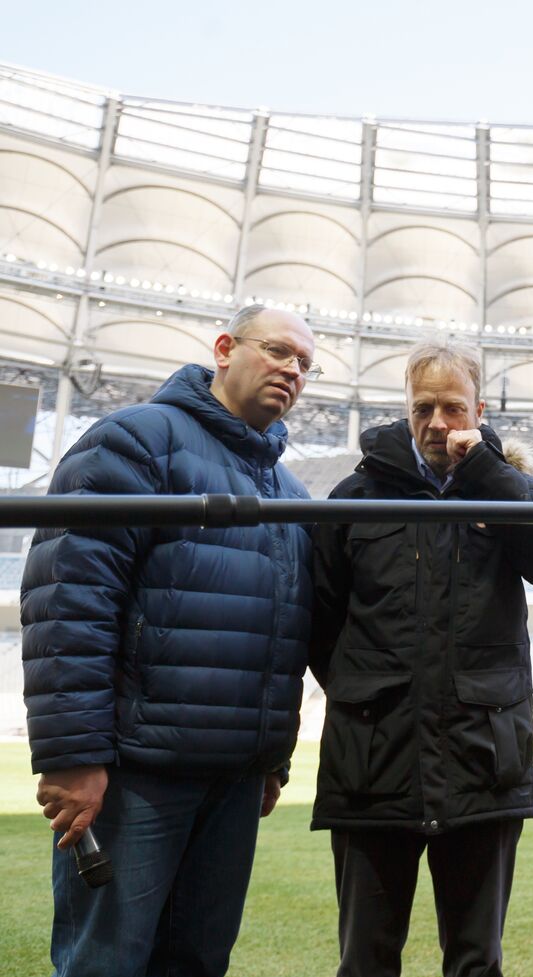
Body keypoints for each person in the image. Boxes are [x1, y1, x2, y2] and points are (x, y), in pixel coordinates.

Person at [22, 304, 320, 977]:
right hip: (136, 775)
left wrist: (273, 760)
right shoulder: (136, 439)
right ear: (223, 347)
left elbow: (288, 632)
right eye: (278, 350)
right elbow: (69, 598)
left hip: (235, 782)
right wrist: (73, 755)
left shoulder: (291, 492)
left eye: (304, 363)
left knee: (196, 962)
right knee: (106, 962)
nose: (292, 370)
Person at [309, 340, 533, 977]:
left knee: (476, 961)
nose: (438, 423)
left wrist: (488, 473)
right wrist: (371, 697)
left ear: (480, 410)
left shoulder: (515, 488)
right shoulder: (353, 496)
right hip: (373, 767)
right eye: (423, 408)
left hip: (482, 763)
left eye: (453, 408)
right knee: (365, 961)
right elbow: (321, 626)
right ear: (406, 411)